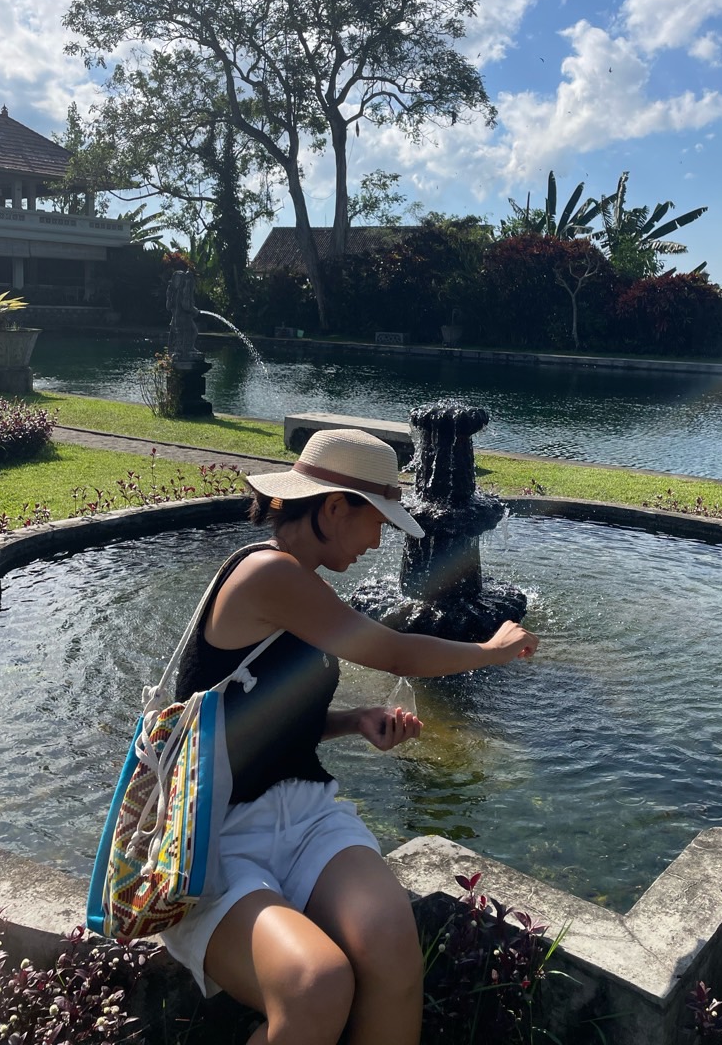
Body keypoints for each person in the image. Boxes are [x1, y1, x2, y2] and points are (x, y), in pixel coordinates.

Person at [161, 427, 539, 1045]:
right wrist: (490, 650)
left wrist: (352, 721)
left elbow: (263, 717)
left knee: (392, 950)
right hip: (219, 836)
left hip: (306, 815)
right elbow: (394, 652)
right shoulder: (267, 574)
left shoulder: (302, 586)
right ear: (335, 508)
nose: (378, 542)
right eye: (378, 523)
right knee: (316, 984)